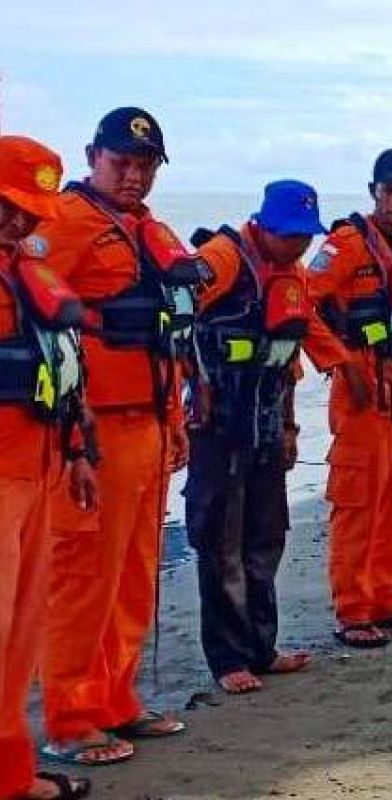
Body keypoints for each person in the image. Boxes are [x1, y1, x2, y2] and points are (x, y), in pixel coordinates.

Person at [37, 107, 204, 766]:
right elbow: (37, 321)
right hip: (94, 433)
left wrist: (174, 422)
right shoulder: (61, 224)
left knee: (135, 574)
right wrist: (67, 434)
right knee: (82, 577)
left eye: (146, 165)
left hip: (150, 427)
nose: (134, 175)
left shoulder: (148, 230)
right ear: (91, 155)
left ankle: (117, 699)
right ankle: (71, 718)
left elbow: (168, 332)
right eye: (122, 162)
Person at [186, 180, 356, 692]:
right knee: (221, 543)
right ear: (263, 225)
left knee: (266, 538)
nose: (299, 246)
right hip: (219, 427)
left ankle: (262, 648)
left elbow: (288, 356)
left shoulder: (294, 276)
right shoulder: (222, 257)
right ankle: (228, 659)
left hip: (264, 424)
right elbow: (175, 316)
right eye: (290, 236)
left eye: (306, 237)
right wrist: (193, 389)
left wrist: (288, 426)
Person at [308, 149, 392, 647]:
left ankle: (385, 598)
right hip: (362, 389)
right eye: (390, 189)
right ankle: (352, 609)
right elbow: (300, 302)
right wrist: (338, 360)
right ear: (373, 191)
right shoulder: (345, 244)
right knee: (358, 501)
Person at [0, 135, 95, 800]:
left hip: (40, 471)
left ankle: (12, 777)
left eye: (31, 213)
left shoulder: (26, 272)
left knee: (19, 642)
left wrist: (79, 450)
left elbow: (60, 369)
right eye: (9, 206)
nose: (19, 222)